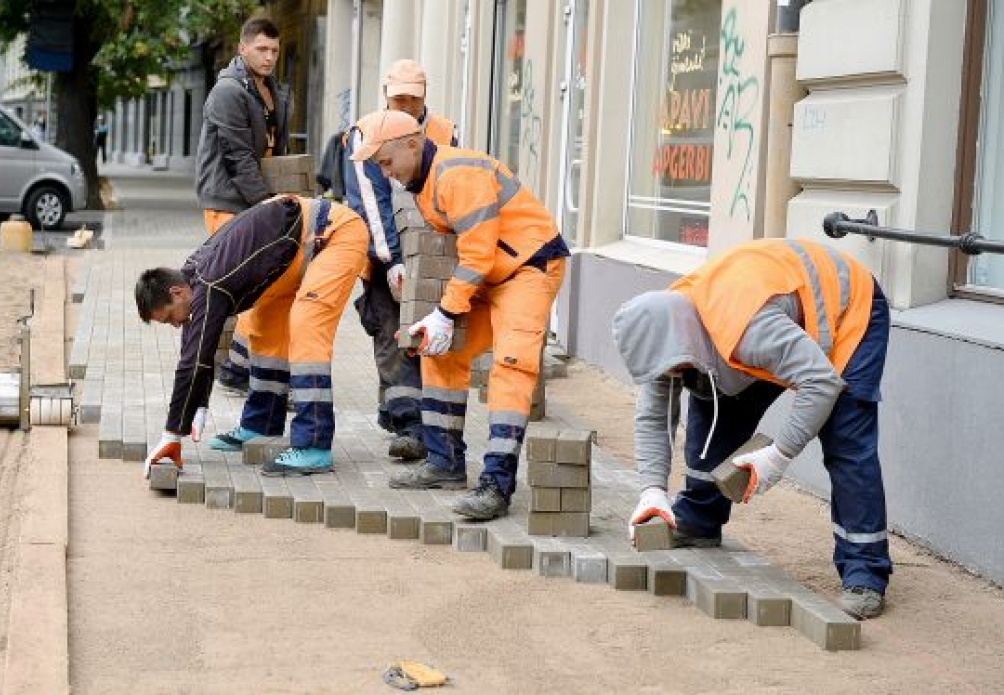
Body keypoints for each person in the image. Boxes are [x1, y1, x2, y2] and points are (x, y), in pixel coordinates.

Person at [612, 238, 893, 620]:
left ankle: (865, 569)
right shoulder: (666, 323)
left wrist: (779, 455)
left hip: (847, 311)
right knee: (713, 403)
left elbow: (821, 383)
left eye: (675, 370)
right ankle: (698, 519)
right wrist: (651, 491)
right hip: (775, 317)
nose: (672, 377)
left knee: (846, 438)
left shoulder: (746, 328)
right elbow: (653, 415)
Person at [350, 109, 570, 521]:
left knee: (511, 365)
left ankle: (496, 484)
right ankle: (445, 461)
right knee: (440, 351)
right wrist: (433, 310)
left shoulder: (455, 175)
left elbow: (477, 254)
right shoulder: (423, 179)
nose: (386, 173)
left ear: (412, 145)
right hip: (490, 274)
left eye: (386, 162)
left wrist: (446, 312)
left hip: (529, 267)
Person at [136, 195, 368, 477]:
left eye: (170, 317)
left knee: (306, 326)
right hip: (292, 255)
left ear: (176, 293)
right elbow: (196, 348)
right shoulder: (191, 276)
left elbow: (194, 360)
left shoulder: (210, 283)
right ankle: (261, 423)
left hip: (333, 236)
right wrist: (198, 404)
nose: (175, 325)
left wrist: (172, 434)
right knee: (264, 327)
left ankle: (313, 445)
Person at [344, 59, 458, 462]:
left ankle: (403, 415)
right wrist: (391, 259)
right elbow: (369, 203)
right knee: (390, 331)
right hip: (382, 254)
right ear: (385, 95)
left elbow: (451, 191)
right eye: (398, 98)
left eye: (412, 98)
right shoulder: (366, 132)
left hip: (430, 253)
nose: (405, 106)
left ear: (424, 96)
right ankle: (408, 423)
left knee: (422, 331)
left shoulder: (444, 132)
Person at [195, 15, 291, 396]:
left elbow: (274, 150)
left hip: (255, 199)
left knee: (261, 285)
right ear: (243, 48)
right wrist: (269, 206)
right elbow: (236, 157)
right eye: (262, 49)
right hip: (229, 200)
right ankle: (238, 369)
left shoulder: (272, 89)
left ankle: (239, 368)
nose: (269, 57)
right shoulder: (228, 92)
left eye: (274, 51)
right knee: (254, 286)